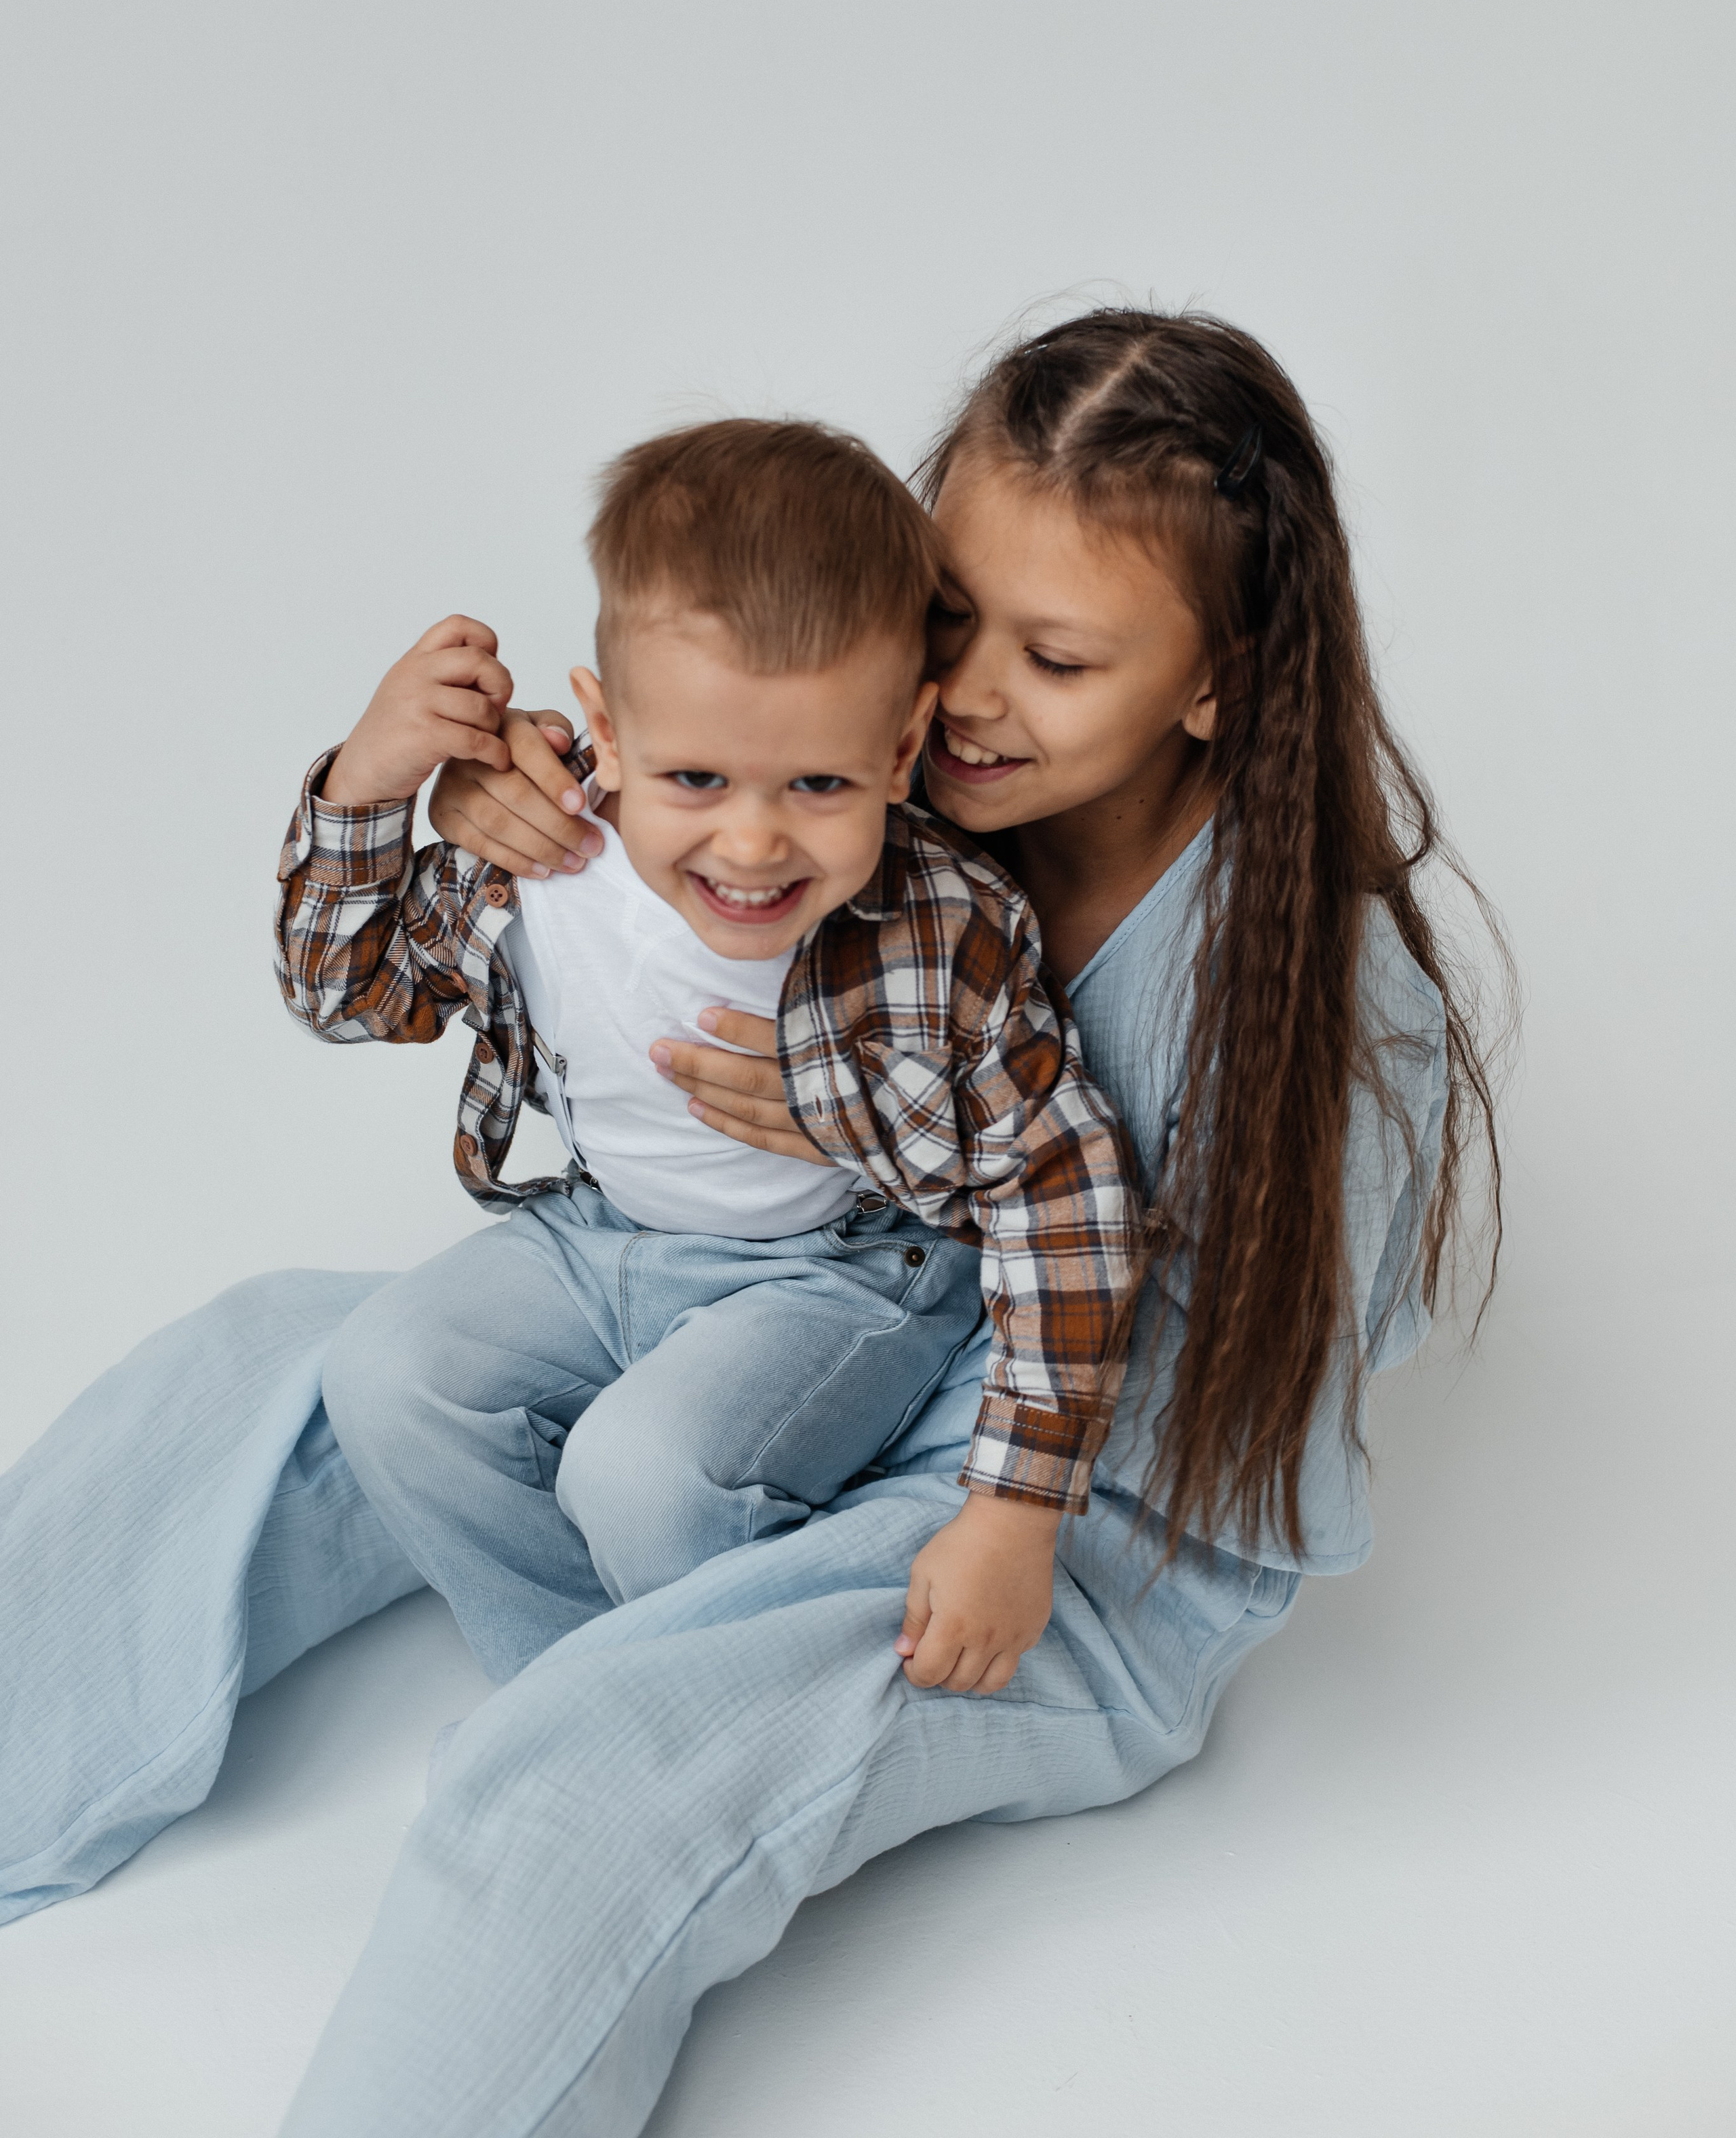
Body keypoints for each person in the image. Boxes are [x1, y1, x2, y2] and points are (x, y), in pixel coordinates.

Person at [0, 310, 1503, 2138]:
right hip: (797, 1304)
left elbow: (1154, 1374)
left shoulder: (1320, 1017)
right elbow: (717, 764)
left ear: (1215, 684)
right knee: (288, 1373)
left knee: (580, 1776)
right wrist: (541, 813)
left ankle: (616, 1718)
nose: (961, 698)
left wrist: (884, 1186)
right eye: (949, 619)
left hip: (1058, 1500)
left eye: (1059, 655)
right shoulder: (890, 807)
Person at [286, 419, 1139, 1691]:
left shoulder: (942, 925)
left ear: (900, 750)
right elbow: (347, 999)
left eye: (817, 786)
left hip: (842, 1272)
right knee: (385, 1374)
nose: (752, 847)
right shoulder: (538, 855)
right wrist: (371, 785)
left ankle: (738, 1698)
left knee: (643, 1476)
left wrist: (1017, 1510)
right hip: (599, 1238)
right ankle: (573, 1692)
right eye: (694, 777)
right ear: (607, 733)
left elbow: (1064, 1198)